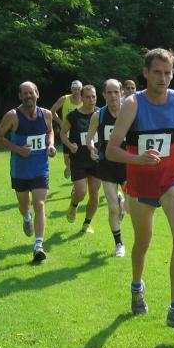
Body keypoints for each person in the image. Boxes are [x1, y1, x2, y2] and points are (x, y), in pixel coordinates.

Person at [107, 48, 174, 330]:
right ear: (145, 73)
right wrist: (139, 159)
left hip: (172, 178)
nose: (163, 78)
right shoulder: (132, 104)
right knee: (143, 243)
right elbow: (111, 150)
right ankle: (137, 286)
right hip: (141, 182)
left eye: (167, 72)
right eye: (157, 72)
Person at [0, 81, 57, 262]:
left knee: (40, 204)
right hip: (20, 170)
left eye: (31, 92)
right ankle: (27, 217)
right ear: (20, 96)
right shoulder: (12, 116)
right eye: (25, 93)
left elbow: (50, 131)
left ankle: (38, 245)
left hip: (40, 168)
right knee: (24, 206)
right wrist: (18, 149)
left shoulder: (46, 114)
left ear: (37, 94)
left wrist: (51, 145)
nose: (29, 96)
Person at [87, 79, 128, 257]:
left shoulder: (129, 113)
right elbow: (89, 138)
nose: (113, 96)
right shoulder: (98, 116)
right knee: (112, 208)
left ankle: (122, 203)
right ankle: (119, 244)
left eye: (116, 92)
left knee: (131, 206)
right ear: (103, 95)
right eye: (109, 93)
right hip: (107, 165)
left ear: (122, 93)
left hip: (128, 164)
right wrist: (92, 149)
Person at [61, 84, 101, 234]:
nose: (91, 100)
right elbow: (63, 134)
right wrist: (70, 145)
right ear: (82, 98)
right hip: (78, 159)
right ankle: (74, 204)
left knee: (95, 193)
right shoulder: (73, 116)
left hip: (96, 159)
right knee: (81, 192)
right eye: (88, 97)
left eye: (93, 97)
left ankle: (86, 223)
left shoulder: (101, 113)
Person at [51, 80, 83, 179]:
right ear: (71, 89)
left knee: (80, 155)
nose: (76, 91)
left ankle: (77, 178)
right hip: (66, 132)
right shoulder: (64, 99)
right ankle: (68, 167)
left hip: (80, 132)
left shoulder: (84, 100)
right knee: (67, 158)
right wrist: (60, 122)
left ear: (81, 90)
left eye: (78, 89)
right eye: (74, 89)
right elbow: (52, 111)